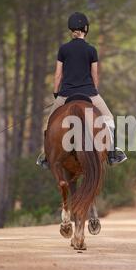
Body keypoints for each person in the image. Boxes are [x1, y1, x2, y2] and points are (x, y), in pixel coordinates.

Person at [36, 12, 127, 169]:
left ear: (71, 29)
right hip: (89, 94)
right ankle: (112, 154)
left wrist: (57, 94)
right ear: (86, 29)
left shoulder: (63, 49)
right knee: (109, 120)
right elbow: (95, 76)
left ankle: (46, 157)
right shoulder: (91, 50)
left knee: (50, 124)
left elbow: (58, 75)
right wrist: (94, 92)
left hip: (65, 94)